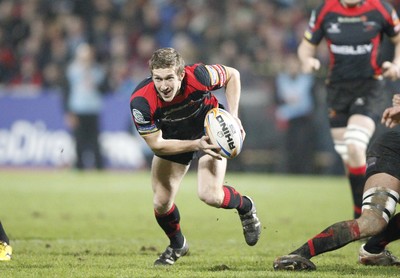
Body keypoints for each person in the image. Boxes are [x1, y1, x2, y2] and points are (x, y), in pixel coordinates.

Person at [129, 47, 261, 266]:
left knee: (210, 195)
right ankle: (177, 245)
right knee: (161, 202)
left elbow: (232, 75)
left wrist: (234, 117)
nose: (164, 86)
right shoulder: (141, 102)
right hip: (175, 141)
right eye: (158, 79)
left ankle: (245, 206)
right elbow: (156, 144)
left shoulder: (198, 76)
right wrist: (195, 144)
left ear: (181, 74)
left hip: (211, 131)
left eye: (169, 78)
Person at [297, 0, 400, 218]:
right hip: (337, 90)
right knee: (349, 156)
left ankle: (362, 216)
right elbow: (307, 45)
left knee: (354, 145)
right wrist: (307, 61)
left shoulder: (381, 9)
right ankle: (360, 211)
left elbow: (398, 39)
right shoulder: (325, 10)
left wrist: (397, 64)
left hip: (370, 86)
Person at [273, 94, 400, 271]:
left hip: (390, 147)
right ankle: (298, 255)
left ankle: (373, 250)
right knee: (372, 221)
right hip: (393, 151)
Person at [65, 43, 105, 170]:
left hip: (93, 109)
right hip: (78, 109)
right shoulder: (71, 71)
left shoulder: (98, 71)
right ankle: (79, 166)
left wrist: (95, 84)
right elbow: (66, 92)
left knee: (95, 140)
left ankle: (99, 166)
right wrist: (68, 111)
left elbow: (105, 89)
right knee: (79, 140)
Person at [275, 53, 316, 174]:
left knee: (303, 147)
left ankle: (304, 171)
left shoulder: (307, 80)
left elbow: (314, 101)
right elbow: (276, 99)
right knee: (288, 148)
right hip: (287, 120)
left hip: (303, 119)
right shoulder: (281, 79)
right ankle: (289, 171)